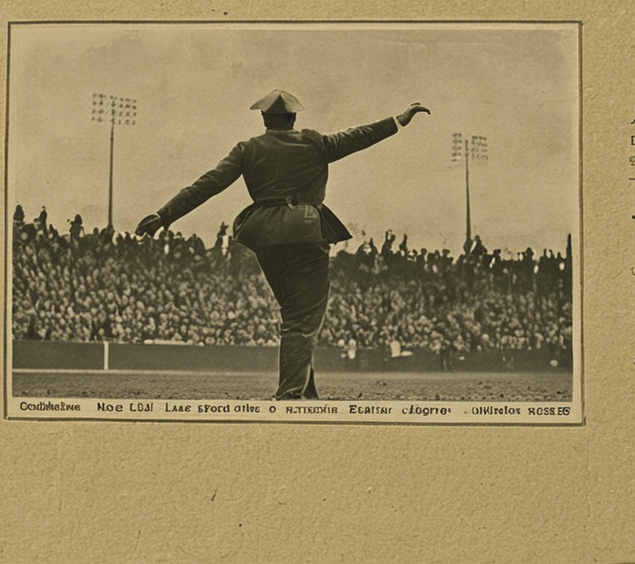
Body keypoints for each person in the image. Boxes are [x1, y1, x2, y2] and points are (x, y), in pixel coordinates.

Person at [135, 89, 431, 399]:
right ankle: (290, 395)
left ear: (264, 119)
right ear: (293, 118)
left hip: (263, 236)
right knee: (302, 319)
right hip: (306, 233)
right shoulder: (314, 142)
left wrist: (164, 215)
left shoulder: (247, 149)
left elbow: (207, 184)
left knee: (295, 315)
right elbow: (359, 136)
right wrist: (398, 120)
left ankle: (307, 390)